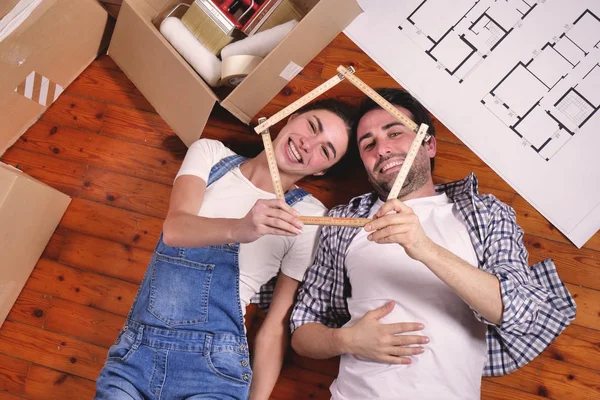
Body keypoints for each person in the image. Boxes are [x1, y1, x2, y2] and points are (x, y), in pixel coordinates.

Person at [290, 88, 576, 400]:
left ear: (429, 144)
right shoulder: (345, 222)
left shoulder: (485, 212)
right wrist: (346, 340)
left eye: (395, 132)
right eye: (368, 144)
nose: (382, 149)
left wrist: (423, 247)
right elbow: (303, 333)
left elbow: (520, 313)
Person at [94, 98, 356, 400]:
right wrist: (241, 228)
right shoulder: (210, 154)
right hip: (134, 358)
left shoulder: (308, 218)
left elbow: (275, 326)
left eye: (325, 150)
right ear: (290, 117)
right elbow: (176, 229)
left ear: (324, 171)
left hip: (215, 368)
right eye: (311, 126)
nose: (308, 144)